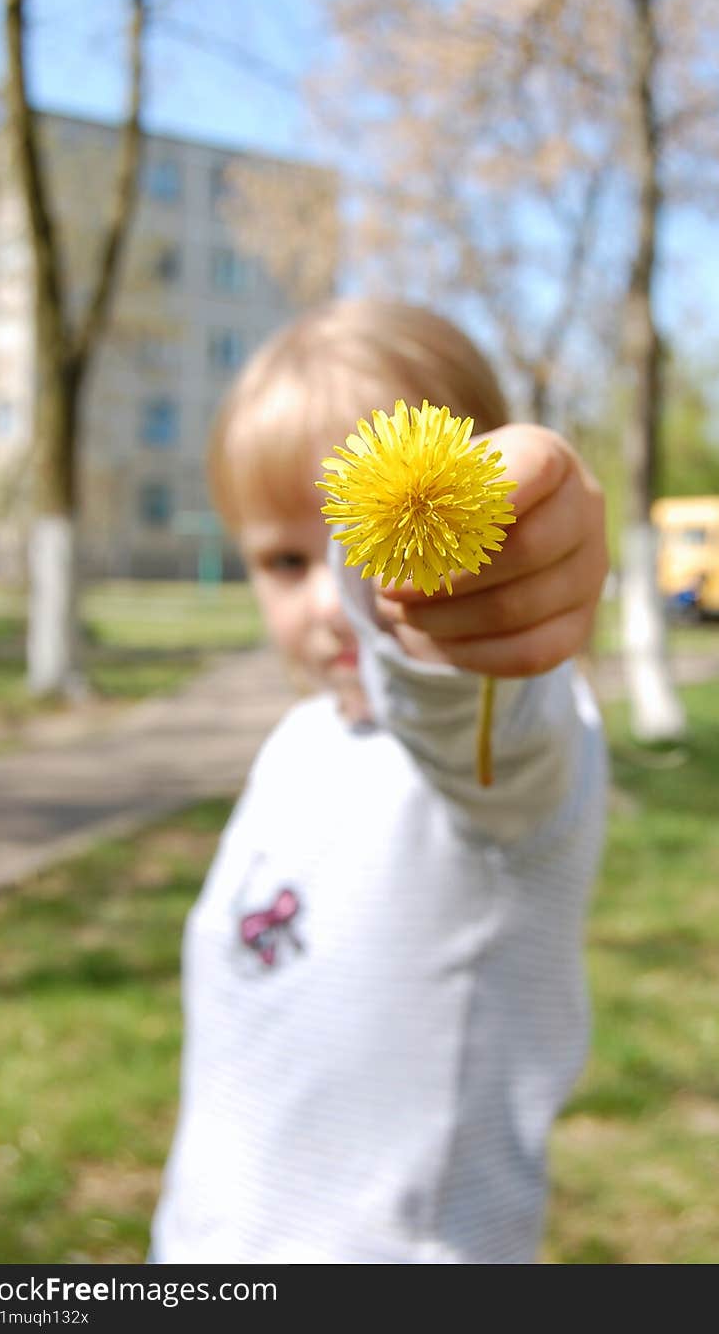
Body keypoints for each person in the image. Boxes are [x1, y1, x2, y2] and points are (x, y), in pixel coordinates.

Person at [149, 298, 609, 1264]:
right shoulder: (297, 743)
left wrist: (445, 627)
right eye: (285, 559)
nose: (331, 603)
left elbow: (481, 716)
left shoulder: (493, 738)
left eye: (361, 537)